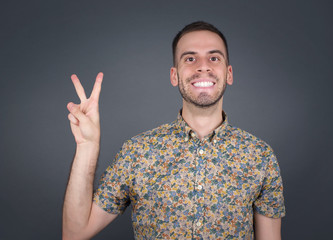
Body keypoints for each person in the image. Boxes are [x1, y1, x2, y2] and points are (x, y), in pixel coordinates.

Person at [62, 21, 285, 240]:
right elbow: (75, 233)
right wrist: (87, 146)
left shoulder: (260, 156)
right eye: (190, 58)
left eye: (214, 58)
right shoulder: (137, 152)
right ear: (174, 75)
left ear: (229, 74)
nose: (203, 66)